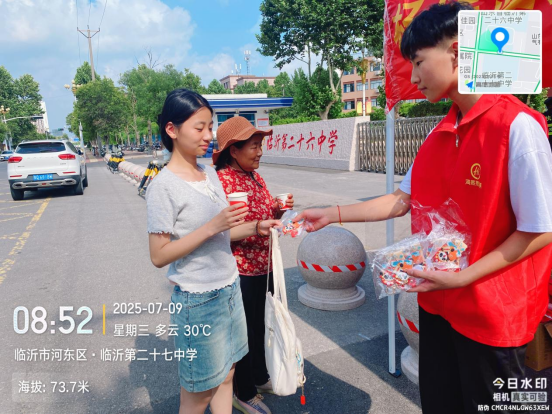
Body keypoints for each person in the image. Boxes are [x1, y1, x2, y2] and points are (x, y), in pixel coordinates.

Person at [295, 3, 552, 414]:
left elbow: (540, 230)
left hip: (493, 318)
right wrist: (332, 213)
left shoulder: (517, 127)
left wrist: (464, 277)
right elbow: (401, 200)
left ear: (458, 51)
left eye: (418, 62)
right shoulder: (438, 134)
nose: (413, 78)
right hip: (436, 304)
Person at [146, 89, 281, 414]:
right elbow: (159, 255)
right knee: (198, 395)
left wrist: (257, 227)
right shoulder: (163, 186)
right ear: (172, 129)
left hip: (230, 288)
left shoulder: (209, 174)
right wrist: (211, 226)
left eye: (210, 126)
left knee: (227, 376)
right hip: (198, 301)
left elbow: (224, 233)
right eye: (200, 127)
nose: (209, 135)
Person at [213, 116, 294, 414]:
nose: (260, 152)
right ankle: (242, 391)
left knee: (261, 325)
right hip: (240, 270)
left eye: (261, 145)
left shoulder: (255, 176)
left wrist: (278, 210)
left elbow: (264, 218)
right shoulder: (222, 182)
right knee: (242, 333)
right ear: (233, 150)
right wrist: (258, 225)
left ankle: (259, 377)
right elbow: (220, 231)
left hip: (264, 266)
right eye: (254, 146)